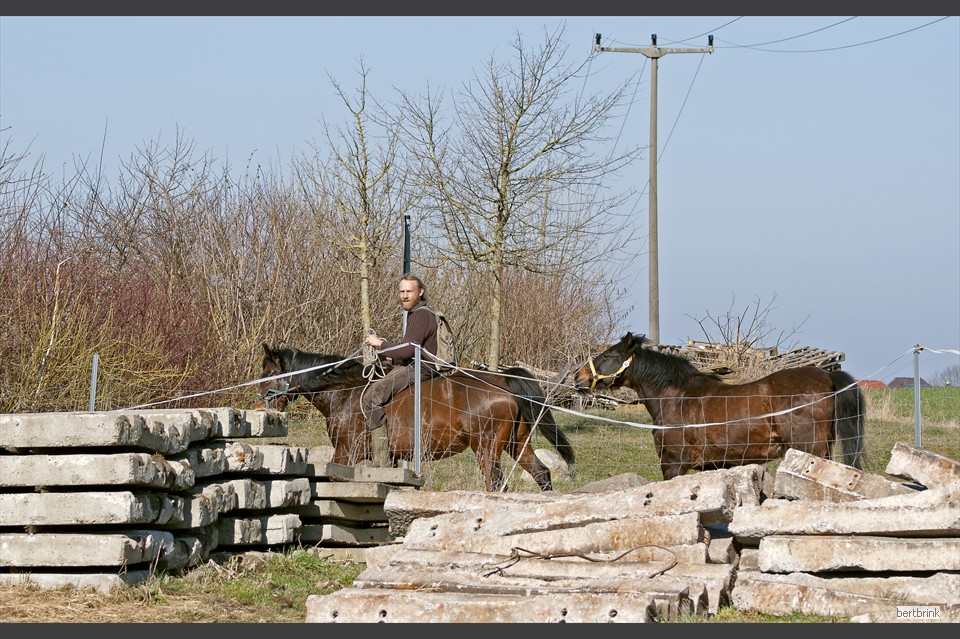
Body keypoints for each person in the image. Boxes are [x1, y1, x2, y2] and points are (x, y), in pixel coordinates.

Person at [361, 273, 440, 467]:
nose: (404, 295)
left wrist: (380, 344)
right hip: (416, 364)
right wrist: (386, 355)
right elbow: (409, 349)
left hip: (421, 368)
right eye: (402, 291)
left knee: (371, 397)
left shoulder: (421, 314)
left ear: (420, 292)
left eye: (409, 291)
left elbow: (407, 350)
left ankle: (381, 460)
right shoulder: (418, 313)